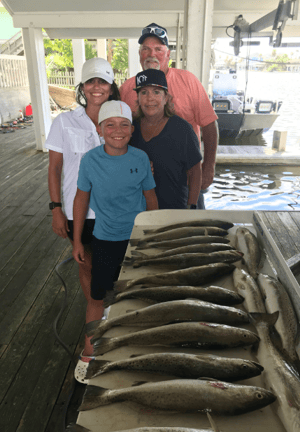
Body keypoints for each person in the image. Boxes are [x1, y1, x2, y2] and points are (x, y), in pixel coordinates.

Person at [45, 57, 120, 382]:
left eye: (102, 82)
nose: (96, 88)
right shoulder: (65, 122)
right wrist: (55, 208)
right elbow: (55, 168)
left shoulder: (119, 121)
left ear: (111, 87)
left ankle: (115, 327)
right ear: (82, 87)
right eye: (91, 82)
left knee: (118, 273)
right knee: (88, 273)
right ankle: (90, 346)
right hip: (79, 214)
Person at [72, 101, 158, 380]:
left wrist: (153, 235)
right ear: (100, 129)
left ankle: (137, 345)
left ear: (132, 130)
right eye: (110, 124)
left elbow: (150, 198)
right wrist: (77, 241)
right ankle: (90, 350)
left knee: (140, 293)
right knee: (98, 297)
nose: (117, 131)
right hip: (106, 239)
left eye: (124, 125)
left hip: (137, 238)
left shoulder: (140, 159)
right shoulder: (90, 160)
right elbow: (81, 199)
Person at [120, 23, 219, 208]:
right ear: (139, 54)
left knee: (191, 228)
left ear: (168, 54)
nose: (152, 54)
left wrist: (209, 165)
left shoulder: (188, 80)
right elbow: (117, 133)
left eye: (159, 49)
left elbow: (209, 124)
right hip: (141, 183)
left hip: (187, 179)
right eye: (146, 49)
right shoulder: (127, 88)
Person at [130, 68, 202, 209]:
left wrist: (192, 206)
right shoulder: (131, 128)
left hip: (174, 211)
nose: (150, 98)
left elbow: (195, 171)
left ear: (166, 98)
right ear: (138, 98)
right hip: (137, 211)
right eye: (144, 92)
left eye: (156, 92)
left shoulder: (182, 129)